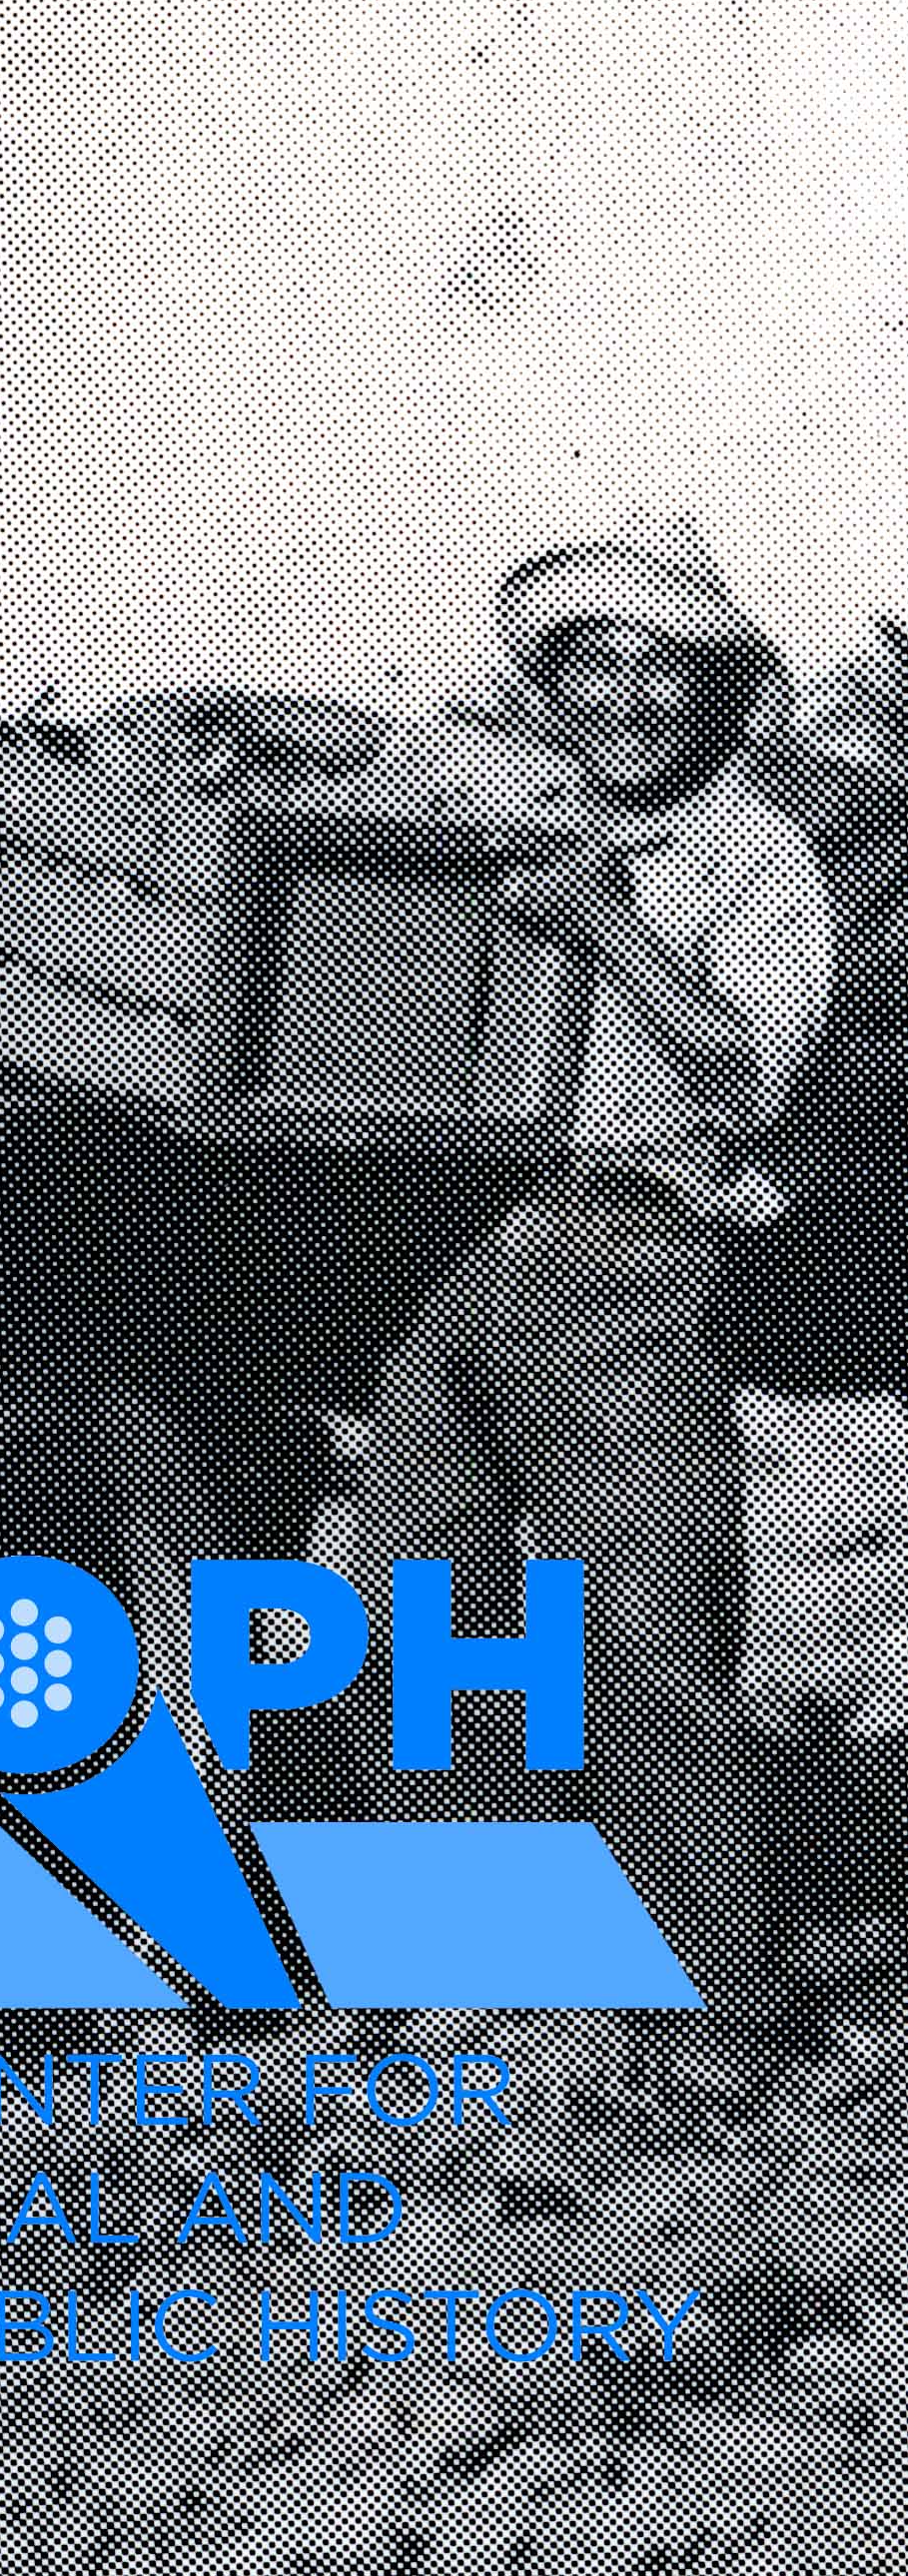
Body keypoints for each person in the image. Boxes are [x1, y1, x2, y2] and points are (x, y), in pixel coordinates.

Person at [338, 535, 835, 2007]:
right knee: (425, 1599)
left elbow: (746, 1080)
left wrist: (607, 925)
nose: (625, 699)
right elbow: (374, 745)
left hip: (630, 1248)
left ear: (718, 695)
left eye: (661, 671)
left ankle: (712, 2007)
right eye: (592, 665)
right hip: (472, 1236)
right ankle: (467, 1964)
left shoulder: (749, 856)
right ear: (549, 683)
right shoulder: (528, 802)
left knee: (640, 1626)